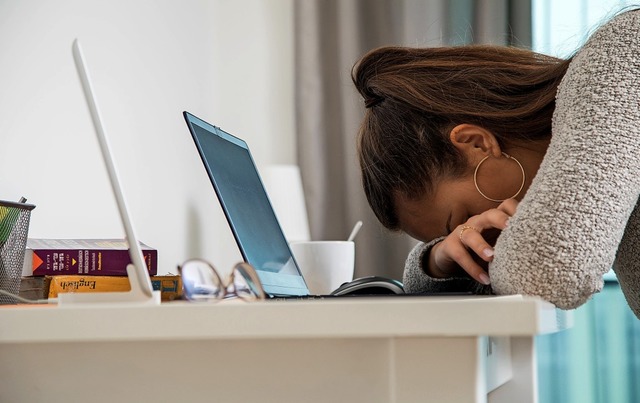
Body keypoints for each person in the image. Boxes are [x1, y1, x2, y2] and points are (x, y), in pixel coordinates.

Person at [351, 9, 640, 319]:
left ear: (477, 143)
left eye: (465, 217)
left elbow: (549, 269)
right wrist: (435, 262)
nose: (480, 232)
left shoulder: (622, 51)